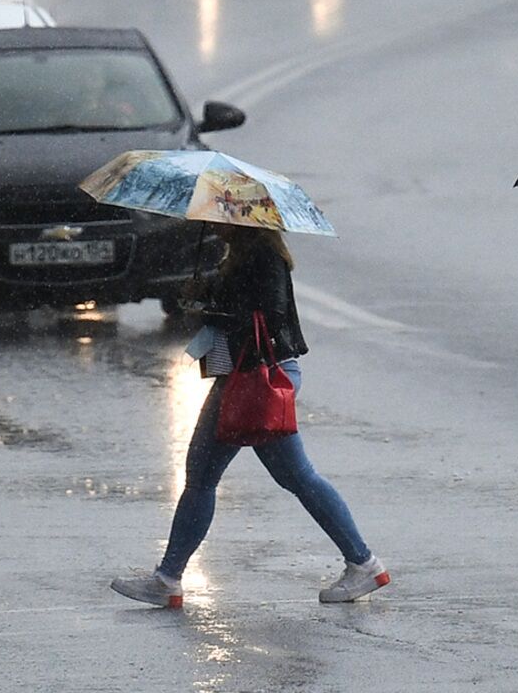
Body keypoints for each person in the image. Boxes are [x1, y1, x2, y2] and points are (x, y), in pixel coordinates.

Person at [110, 223, 388, 608]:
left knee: (206, 475)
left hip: (256, 379)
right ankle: (363, 563)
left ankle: (167, 579)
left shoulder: (264, 257)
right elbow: (240, 307)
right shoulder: (241, 254)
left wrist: (214, 305)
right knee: (292, 476)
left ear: (241, 221)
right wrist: (202, 294)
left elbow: (265, 314)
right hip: (250, 376)